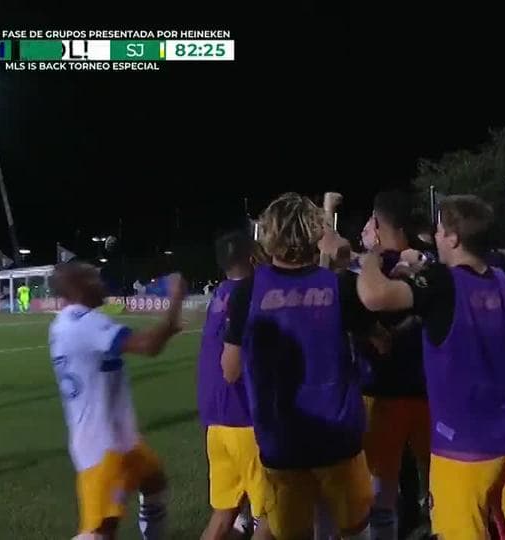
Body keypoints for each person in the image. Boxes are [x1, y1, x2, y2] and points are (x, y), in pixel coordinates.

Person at [357, 195, 505, 540]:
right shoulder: (502, 280)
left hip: (464, 446)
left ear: (454, 238)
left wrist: (372, 256)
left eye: (439, 230)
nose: (434, 236)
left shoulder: (444, 283)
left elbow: (374, 295)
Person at [222, 192, 374, 539]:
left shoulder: (247, 291)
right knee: (354, 530)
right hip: (339, 437)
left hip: (281, 440)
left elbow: (230, 370)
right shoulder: (340, 285)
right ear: (314, 231)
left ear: (269, 233)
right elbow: (378, 341)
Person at [48, 261, 186, 540]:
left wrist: (166, 329)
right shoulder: (85, 322)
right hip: (101, 446)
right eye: (93, 278)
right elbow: (148, 346)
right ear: (77, 287)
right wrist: (175, 301)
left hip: (119, 438)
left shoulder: (64, 323)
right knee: (100, 530)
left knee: (154, 481)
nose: (101, 283)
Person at [354, 190, 431, 540]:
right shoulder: (430, 262)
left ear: (376, 223)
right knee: (439, 483)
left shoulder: (372, 271)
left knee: (382, 493)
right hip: (428, 391)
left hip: (384, 394)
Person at [198, 230, 268, 540]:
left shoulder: (219, 295)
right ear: (253, 256)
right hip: (244, 420)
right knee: (271, 518)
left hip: (215, 422)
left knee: (224, 513)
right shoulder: (252, 296)